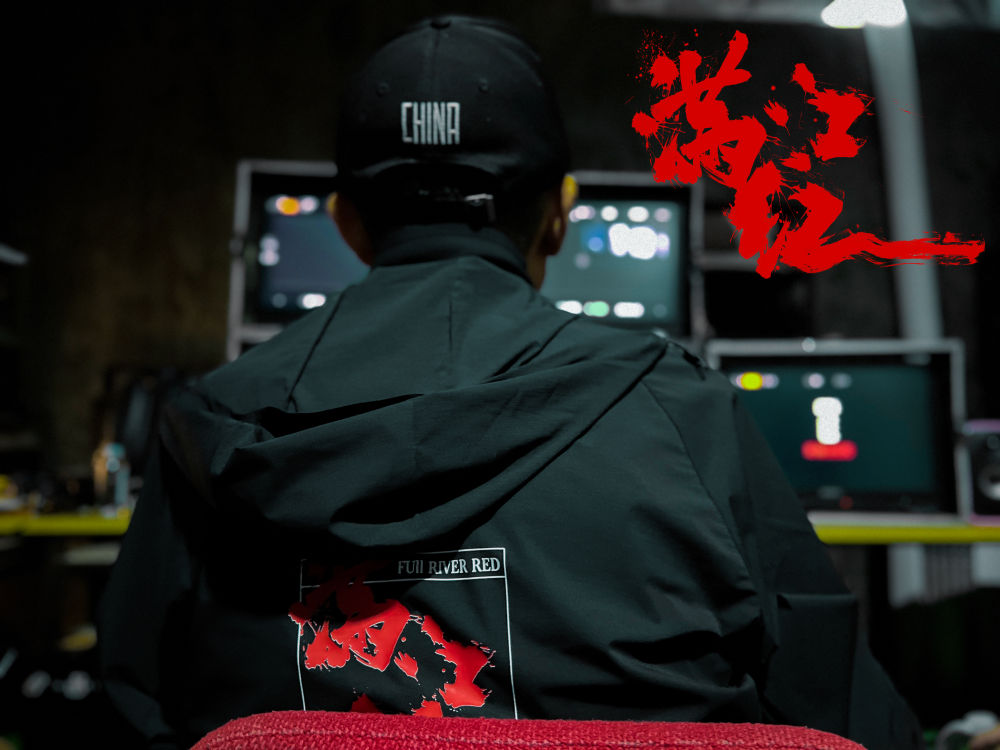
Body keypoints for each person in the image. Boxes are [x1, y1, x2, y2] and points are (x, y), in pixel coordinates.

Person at [98, 15, 923, 749]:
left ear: (346, 221)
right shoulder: (685, 412)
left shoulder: (207, 429)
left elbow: (133, 707)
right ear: (559, 215)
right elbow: (844, 714)